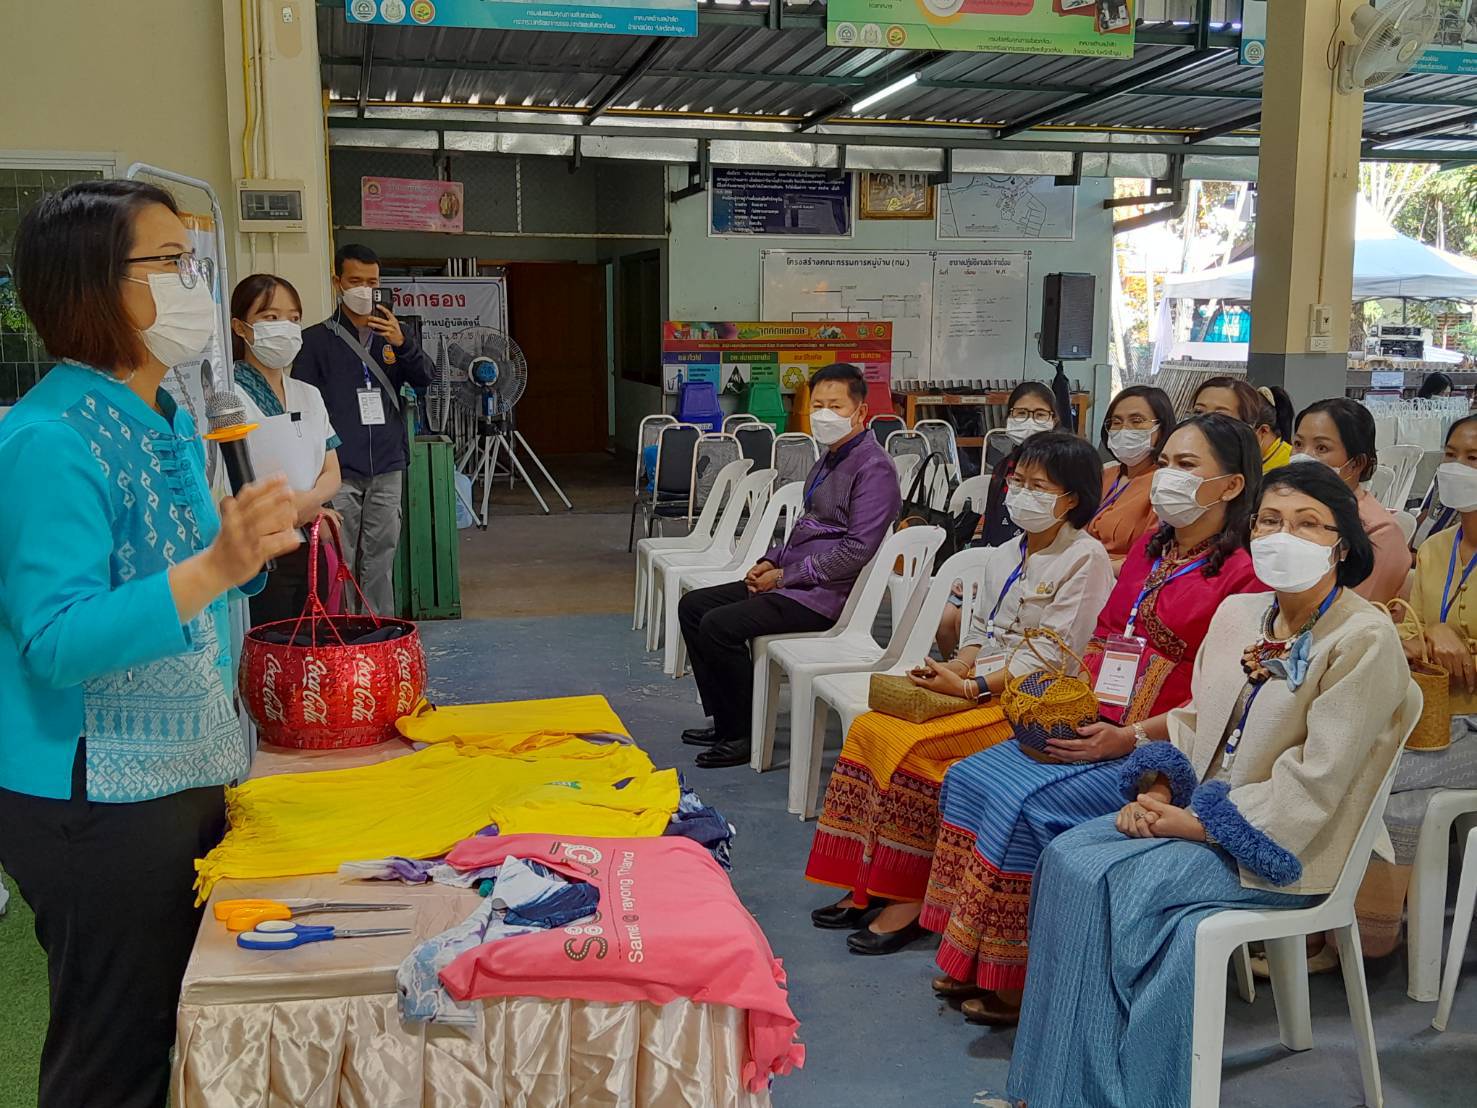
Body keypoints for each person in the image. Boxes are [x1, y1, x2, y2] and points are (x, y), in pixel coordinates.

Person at [0, 181, 298, 1108]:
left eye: (190, 262)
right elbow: (54, 639)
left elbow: (192, 573)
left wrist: (243, 558)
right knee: (116, 1054)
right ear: (95, 285)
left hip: (179, 768)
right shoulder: (48, 438)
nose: (191, 284)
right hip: (96, 795)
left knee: (178, 1026)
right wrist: (215, 567)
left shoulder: (162, 413)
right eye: (170, 264)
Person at [998, 463, 1419, 1108]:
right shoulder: (1243, 612)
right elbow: (1198, 718)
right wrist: (1164, 790)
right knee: (1065, 858)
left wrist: (1195, 824)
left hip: (1285, 846)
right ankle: (1053, 1085)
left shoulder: (1363, 637)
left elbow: (1319, 780)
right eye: (1272, 521)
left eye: (1308, 524)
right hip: (1204, 816)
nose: (1285, 536)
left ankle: (1113, 1093)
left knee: (1122, 886)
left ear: (1343, 543)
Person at [923, 414, 1266, 1025]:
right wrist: (1065, 698)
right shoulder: (1151, 546)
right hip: (1096, 715)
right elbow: (1107, 634)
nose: (1166, 477)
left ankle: (1022, 975)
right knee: (973, 776)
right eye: (1166, 462)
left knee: (1027, 805)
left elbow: (1222, 702)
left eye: (1188, 467)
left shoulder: (1243, 575)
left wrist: (1127, 736)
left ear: (1232, 486)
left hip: (1168, 747)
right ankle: (975, 953)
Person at [804, 432, 1113, 955]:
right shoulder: (1004, 553)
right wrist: (952, 672)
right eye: (1018, 481)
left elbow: (1058, 656)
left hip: (1031, 703)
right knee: (869, 730)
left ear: (1072, 499)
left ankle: (909, 898)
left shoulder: (1085, 559)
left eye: (1039, 486)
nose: (1021, 493)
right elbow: (978, 634)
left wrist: (972, 686)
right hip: (977, 685)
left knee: (917, 753)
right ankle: (869, 881)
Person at [678, 363, 900, 769]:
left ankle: (744, 734)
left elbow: (854, 551)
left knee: (719, 626)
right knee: (693, 607)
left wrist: (785, 576)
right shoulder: (828, 459)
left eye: (836, 406)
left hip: (824, 597)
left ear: (861, 412)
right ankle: (726, 719)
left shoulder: (874, 468)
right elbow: (805, 527)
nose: (825, 415)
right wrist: (770, 560)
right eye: (818, 405)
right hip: (791, 582)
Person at [1358, 413, 1477, 956]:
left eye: (1473, 460)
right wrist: (1434, 629)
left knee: (1375, 771)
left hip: (1468, 723)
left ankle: (1355, 935)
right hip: (1429, 715)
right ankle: (1362, 936)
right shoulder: (1436, 547)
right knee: (1405, 802)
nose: (1456, 468)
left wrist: (1449, 640)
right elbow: (1404, 625)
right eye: (1451, 455)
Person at [292, 244, 434, 615]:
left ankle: (378, 633)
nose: (364, 290)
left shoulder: (395, 335)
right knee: (341, 559)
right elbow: (304, 409)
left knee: (381, 559)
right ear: (337, 282)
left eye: (372, 282)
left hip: (387, 464)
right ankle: (344, 636)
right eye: (355, 281)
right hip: (339, 470)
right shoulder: (314, 341)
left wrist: (403, 346)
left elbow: (425, 379)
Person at [230, 273, 342, 626]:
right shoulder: (228, 396)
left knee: (315, 647)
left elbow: (332, 471)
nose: (286, 328)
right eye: (270, 317)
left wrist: (307, 507)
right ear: (240, 327)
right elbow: (233, 478)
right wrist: (307, 509)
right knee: (271, 644)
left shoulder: (309, 393)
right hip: (263, 551)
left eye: (294, 319)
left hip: (312, 543)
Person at [937, 381, 1061, 655]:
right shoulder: (1004, 467)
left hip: (1031, 571)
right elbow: (990, 526)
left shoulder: (1062, 470)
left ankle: (974, 672)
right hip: (994, 559)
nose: (1029, 421)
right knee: (945, 620)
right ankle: (956, 671)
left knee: (965, 621)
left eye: (1039, 414)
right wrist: (973, 570)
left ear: (1054, 419)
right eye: (1020, 413)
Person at [1289, 397, 1408, 603]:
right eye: (1298, 444)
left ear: (1356, 464)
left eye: (1321, 448)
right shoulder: (1287, 512)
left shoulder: (1378, 532)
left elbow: (1351, 613)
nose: (1303, 457)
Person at [1085, 384, 1175, 566]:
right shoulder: (1104, 474)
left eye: (1137, 420)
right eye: (1116, 422)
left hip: (1122, 580)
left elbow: (1153, 557)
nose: (1125, 429)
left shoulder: (1165, 484)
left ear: (1161, 428)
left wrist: (1094, 567)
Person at [1191, 375, 1294, 472]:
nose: (1204, 424)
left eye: (1221, 417)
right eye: (1198, 412)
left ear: (1261, 432)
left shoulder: (1291, 469)